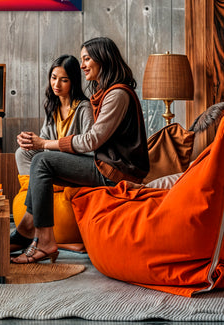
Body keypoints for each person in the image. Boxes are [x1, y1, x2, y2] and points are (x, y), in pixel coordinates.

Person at [11, 37, 149, 264]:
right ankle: (29, 229)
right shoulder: (106, 93)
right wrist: (34, 142)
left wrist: (44, 144)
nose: (83, 64)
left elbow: (92, 140)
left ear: (102, 59)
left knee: (42, 162)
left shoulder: (118, 95)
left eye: (87, 59)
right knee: (36, 161)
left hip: (114, 172)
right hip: (104, 165)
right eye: (82, 59)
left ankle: (40, 238)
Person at [15, 54, 93, 176]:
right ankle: (36, 185)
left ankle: (48, 184)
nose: (56, 84)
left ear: (74, 82)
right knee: (21, 153)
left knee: (43, 159)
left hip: (76, 160)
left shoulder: (84, 108)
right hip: (52, 156)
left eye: (64, 80)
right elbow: (44, 139)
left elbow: (89, 147)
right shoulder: (52, 106)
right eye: (54, 78)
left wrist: (49, 146)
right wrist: (30, 141)